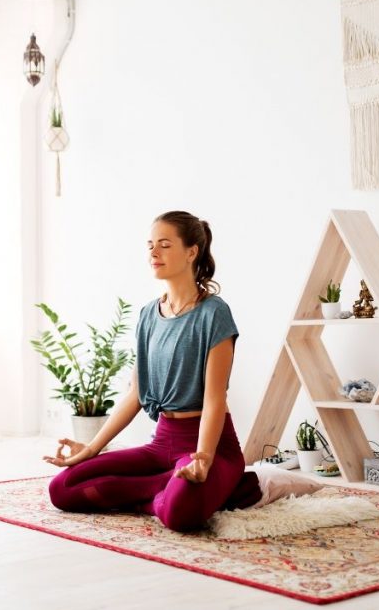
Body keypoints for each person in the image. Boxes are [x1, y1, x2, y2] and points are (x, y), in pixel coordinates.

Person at [44, 210, 322, 532]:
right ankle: (166, 490)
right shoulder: (149, 314)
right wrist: (90, 449)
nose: (153, 252)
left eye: (164, 244)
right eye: (150, 245)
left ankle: (199, 486)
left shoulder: (214, 313)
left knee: (179, 516)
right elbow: (135, 394)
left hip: (211, 446)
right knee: (61, 488)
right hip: (161, 444)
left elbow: (215, 399)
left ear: (191, 252)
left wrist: (203, 457)